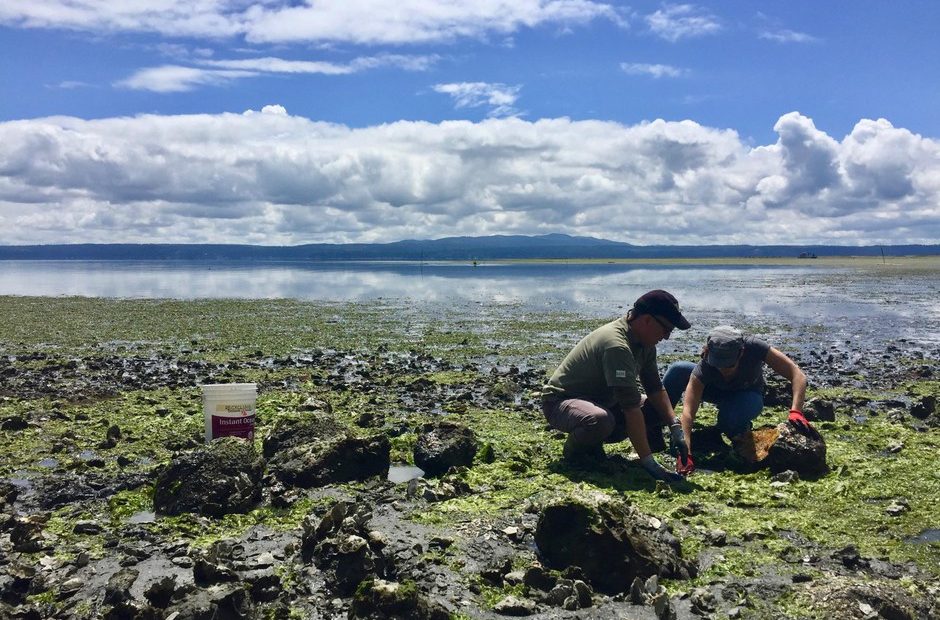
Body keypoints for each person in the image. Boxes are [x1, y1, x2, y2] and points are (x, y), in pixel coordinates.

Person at [541, 290, 692, 482]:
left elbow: (655, 389)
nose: (667, 337)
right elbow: (630, 407)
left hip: (605, 401)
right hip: (561, 402)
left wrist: (675, 426)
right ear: (646, 320)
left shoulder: (645, 343)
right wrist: (650, 465)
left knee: (656, 407)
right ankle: (575, 453)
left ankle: (645, 449)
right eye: (666, 330)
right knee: (599, 421)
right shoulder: (617, 346)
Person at [661, 325, 819, 476]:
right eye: (717, 364)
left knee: (729, 420)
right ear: (708, 352)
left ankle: (739, 429)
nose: (722, 369)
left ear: (741, 353)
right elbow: (688, 413)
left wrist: (796, 411)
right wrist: (686, 453)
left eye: (728, 365)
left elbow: (797, 374)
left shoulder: (754, 347)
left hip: (747, 394)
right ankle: (654, 426)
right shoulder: (704, 366)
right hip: (716, 391)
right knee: (677, 371)